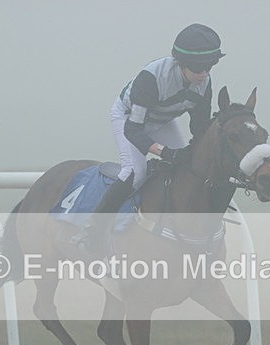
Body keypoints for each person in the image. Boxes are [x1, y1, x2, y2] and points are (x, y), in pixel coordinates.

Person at [76, 23, 225, 255]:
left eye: (210, 67)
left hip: (161, 119)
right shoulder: (152, 78)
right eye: (199, 68)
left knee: (187, 166)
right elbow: (135, 130)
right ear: (181, 63)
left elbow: (198, 127)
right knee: (135, 172)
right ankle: (92, 229)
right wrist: (165, 152)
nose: (204, 74)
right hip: (128, 119)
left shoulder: (204, 83)